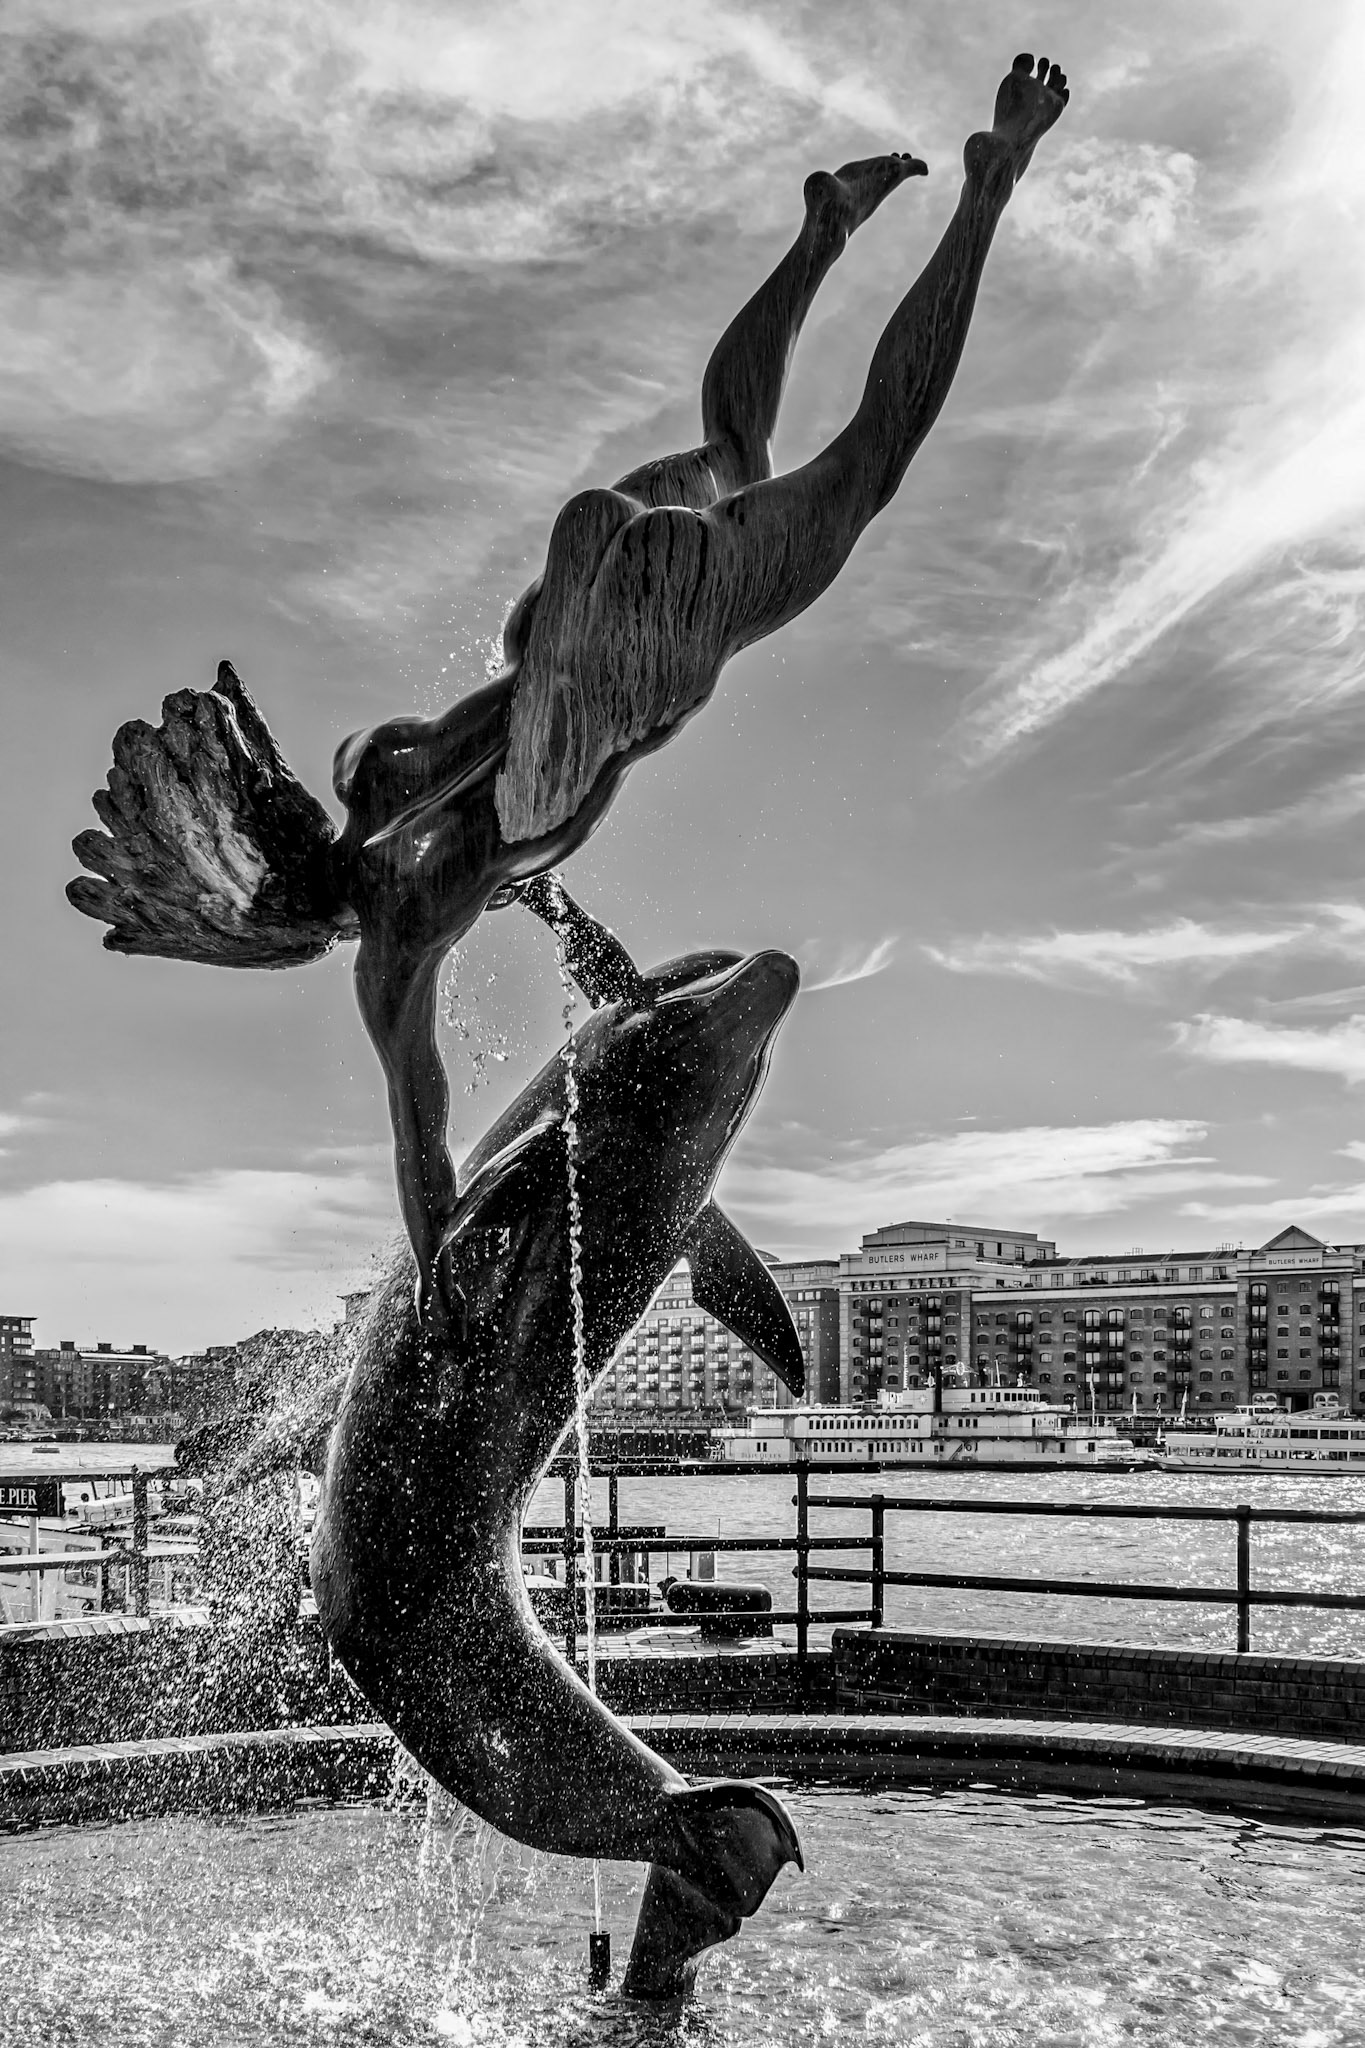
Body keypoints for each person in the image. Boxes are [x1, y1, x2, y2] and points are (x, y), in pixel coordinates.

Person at [70, 55, 1069, 1313]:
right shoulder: (372, 775)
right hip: (538, 640)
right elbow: (512, 884)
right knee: (731, 449)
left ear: (298, 922)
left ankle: (992, 181)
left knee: (867, 467)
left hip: (614, 677)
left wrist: (443, 1283)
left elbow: (420, 1142)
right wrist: (587, 938)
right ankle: (821, 234)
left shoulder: (395, 937)